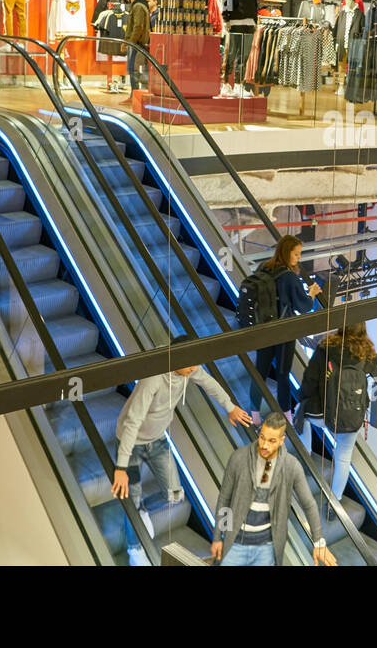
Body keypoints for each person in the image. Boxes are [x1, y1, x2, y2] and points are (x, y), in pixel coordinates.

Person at [112, 364, 252, 562]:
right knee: (130, 499)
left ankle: (144, 507)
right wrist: (121, 466)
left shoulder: (189, 368)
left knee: (175, 495)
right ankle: (134, 549)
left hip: (158, 440)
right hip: (132, 442)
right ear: (177, 360)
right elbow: (133, 421)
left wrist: (230, 407)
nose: (194, 369)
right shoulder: (153, 380)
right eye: (191, 366)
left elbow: (209, 383)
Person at [211, 412, 335, 566]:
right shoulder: (239, 458)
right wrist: (218, 536)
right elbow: (225, 499)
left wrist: (318, 542)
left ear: (282, 440)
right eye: (262, 437)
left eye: (271, 441)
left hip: (267, 547)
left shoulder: (291, 466)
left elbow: (309, 504)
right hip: (236, 542)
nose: (264, 445)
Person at [299, 323, 377, 498]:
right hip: (352, 415)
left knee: (301, 413)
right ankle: (335, 501)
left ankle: (306, 456)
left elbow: (310, 380)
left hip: (322, 413)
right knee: (343, 458)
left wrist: (304, 398)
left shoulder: (327, 347)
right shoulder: (370, 355)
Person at [250, 235, 322, 417]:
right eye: (296, 254)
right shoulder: (289, 277)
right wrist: (312, 293)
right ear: (287, 252)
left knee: (260, 373)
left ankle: (255, 415)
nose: (298, 258)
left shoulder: (264, 267)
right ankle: (286, 416)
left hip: (262, 329)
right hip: (283, 332)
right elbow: (303, 306)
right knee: (283, 374)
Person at [124, 0, 151, 92]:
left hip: (137, 44)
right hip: (137, 43)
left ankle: (134, 94)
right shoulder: (139, 4)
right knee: (134, 69)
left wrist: (131, 42)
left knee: (133, 69)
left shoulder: (138, 6)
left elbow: (138, 26)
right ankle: (134, 93)